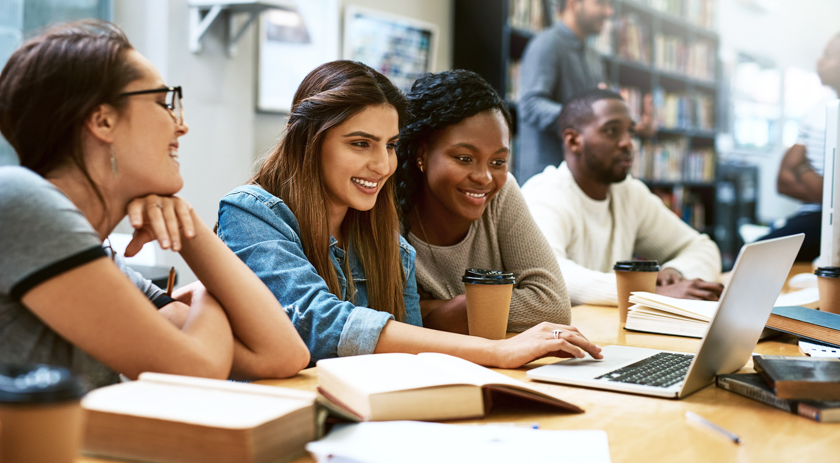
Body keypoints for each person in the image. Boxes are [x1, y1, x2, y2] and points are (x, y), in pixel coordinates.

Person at [217, 60, 602, 368]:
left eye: (389, 145)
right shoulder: (250, 213)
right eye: (361, 144)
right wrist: (498, 351)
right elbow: (319, 323)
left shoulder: (383, 236)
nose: (382, 165)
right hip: (271, 416)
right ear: (309, 140)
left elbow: (413, 354)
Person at [0, 20, 309, 390]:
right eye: (163, 103)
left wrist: (190, 230)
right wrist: (207, 291)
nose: (181, 126)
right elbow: (197, 369)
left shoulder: (103, 262)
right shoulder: (18, 200)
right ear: (103, 121)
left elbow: (282, 353)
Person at [393, 70, 570, 335]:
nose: (484, 177)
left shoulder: (501, 193)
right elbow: (380, 316)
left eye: (498, 161)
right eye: (465, 158)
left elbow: (553, 306)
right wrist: (479, 308)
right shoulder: (387, 206)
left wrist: (439, 311)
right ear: (422, 153)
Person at [522, 89, 723, 306]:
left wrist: (675, 272)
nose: (628, 143)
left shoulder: (630, 193)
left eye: (631, 132)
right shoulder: (545, 194)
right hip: (561, 326)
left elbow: (702, 247)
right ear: (573, 141)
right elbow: (548, 273)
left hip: (605, 323)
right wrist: (649, 292)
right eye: (611, 131)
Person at [759, 32, 840, 262]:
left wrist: (803, 169)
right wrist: (824, 192)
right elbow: (783, 180)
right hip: (816, 217)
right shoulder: (816, 112)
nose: (819, 61)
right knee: (755, 254)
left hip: (827, 219)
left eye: (828, 55)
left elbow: (833, 196)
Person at [516, 0, 612, 183]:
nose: (609, 12)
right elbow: (530, 105)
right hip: (546, 182)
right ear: (573, 3)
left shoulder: (594, 56)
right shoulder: (546, 44)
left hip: (581, 180)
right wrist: (582, 118)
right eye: (600, 3)